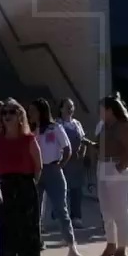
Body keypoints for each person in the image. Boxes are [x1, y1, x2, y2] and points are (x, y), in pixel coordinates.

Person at [0, 100, 44, 256]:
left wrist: (30, 183)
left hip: (25, 186)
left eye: (12, 112)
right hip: (4, 187)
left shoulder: (29, 139)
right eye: (4, 113)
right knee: (7, 231)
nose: (7, 116)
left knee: (29, 231)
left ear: (20, 116)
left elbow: (38, 166)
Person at [28, 99, 79, 256]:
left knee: (60, 208)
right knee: (35, 209)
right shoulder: (30, 130)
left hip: (52, 169)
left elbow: (67, 148)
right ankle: (36, 242)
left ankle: (71, 246)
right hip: (36, 171)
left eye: (33, 111)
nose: (31, 114)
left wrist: (61, 164)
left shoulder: (54, 127)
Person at [91, 96, 128, 256]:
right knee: (106, 211)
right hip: (103, 166)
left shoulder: (122, 126)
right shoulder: (104, 126)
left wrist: (119, 168)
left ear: (111, 110)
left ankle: (121, 250)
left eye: (102, 109)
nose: (99, 112)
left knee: (120, 211)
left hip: (116, 167)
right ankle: (111, 245)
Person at [56, 98, 90, 230]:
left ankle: (76, 217)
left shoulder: (77, 124)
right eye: (67, 106)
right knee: (62, 191)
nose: (70, 109)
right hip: (63, 162)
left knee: (76, 191)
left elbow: (82, 140)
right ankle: (61, 217)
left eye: (72, 106)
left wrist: (83, 153)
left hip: (76, 163)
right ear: (61, 109)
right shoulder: (58, 124)